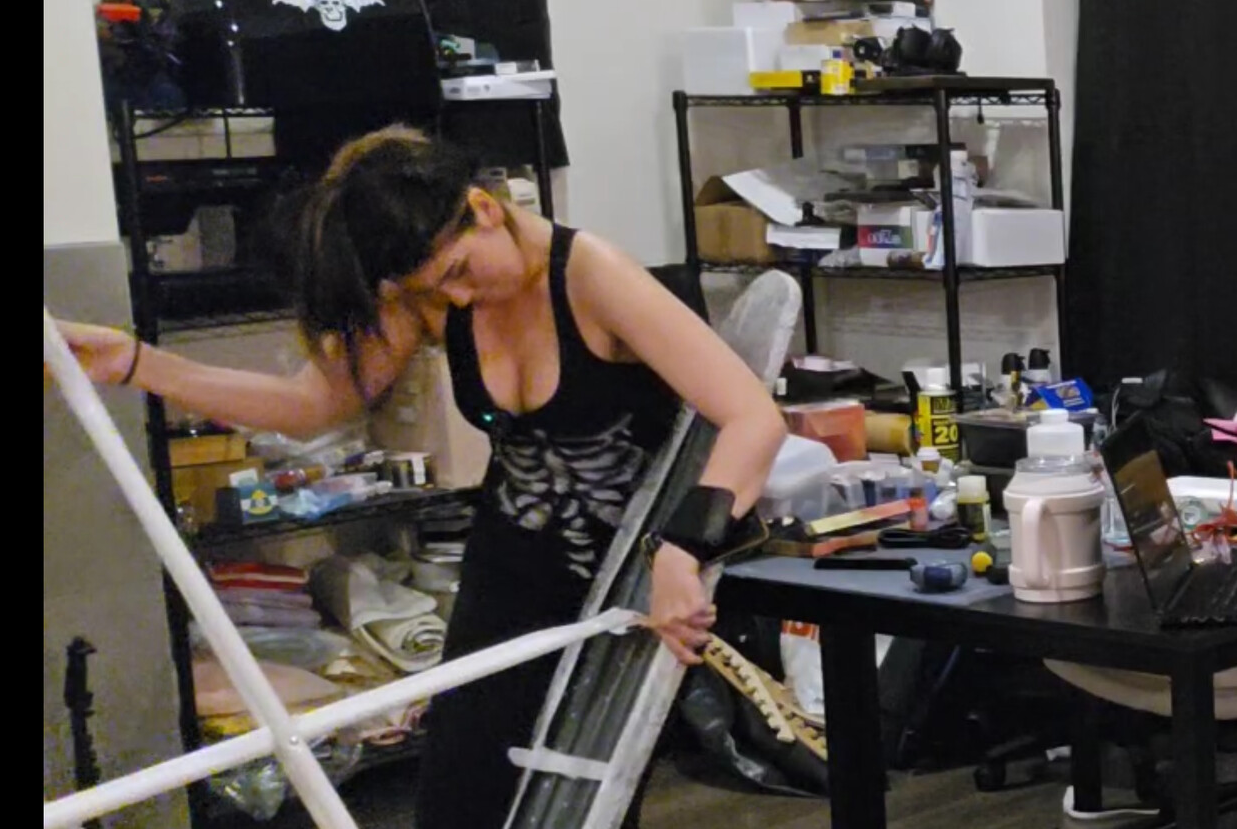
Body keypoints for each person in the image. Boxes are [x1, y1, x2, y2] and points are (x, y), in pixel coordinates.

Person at [55, 125, 787, 827]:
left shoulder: (594, 276)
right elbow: (310, 405)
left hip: (629, 581)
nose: (456, 300)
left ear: (484, 208)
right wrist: (136, 364)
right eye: (435, 288)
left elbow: (752, 418)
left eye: (459, 272)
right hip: (509, 578)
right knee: (461, 800)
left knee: (586, 803)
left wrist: (681, 551)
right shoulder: (431, 292)